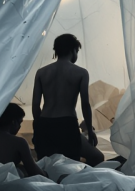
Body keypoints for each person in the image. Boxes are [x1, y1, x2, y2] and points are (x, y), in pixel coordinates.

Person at [32, 33, 104, 166]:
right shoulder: (81, 73)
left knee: (47, 165)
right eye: (77, 51)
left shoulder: (41, 72)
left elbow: (36, 106)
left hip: (45, 123)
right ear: (73, 50)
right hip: (67, 123)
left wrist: (39, 128)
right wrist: (90, 130)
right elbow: (85, 104)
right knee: (74, 164)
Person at [0, 103, 47, 177]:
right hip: (7, 181)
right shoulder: (19, 142)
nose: (19, 127)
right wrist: (46, 175)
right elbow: (33, 170)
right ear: (13, 122)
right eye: (20, 122)